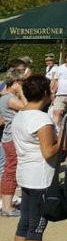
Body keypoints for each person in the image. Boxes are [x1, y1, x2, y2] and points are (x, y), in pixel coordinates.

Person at [11, 75, 60, 241]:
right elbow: (48, 152)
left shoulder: (20, 115)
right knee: (36, 228)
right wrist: (62, 139)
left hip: (25, 174)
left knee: (24, 224)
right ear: (45, 94)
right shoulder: (42, 120)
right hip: (40, 178)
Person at [1, 68, 26, 217]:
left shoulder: (7, 97)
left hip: (11, 138)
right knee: (10, 171)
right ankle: (7, 207)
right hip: (11, 139)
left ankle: (7, 204)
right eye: (21, 82)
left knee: (10, 170)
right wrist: (21, 92)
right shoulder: (8, 98)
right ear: (15, 82)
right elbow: (27, 107)